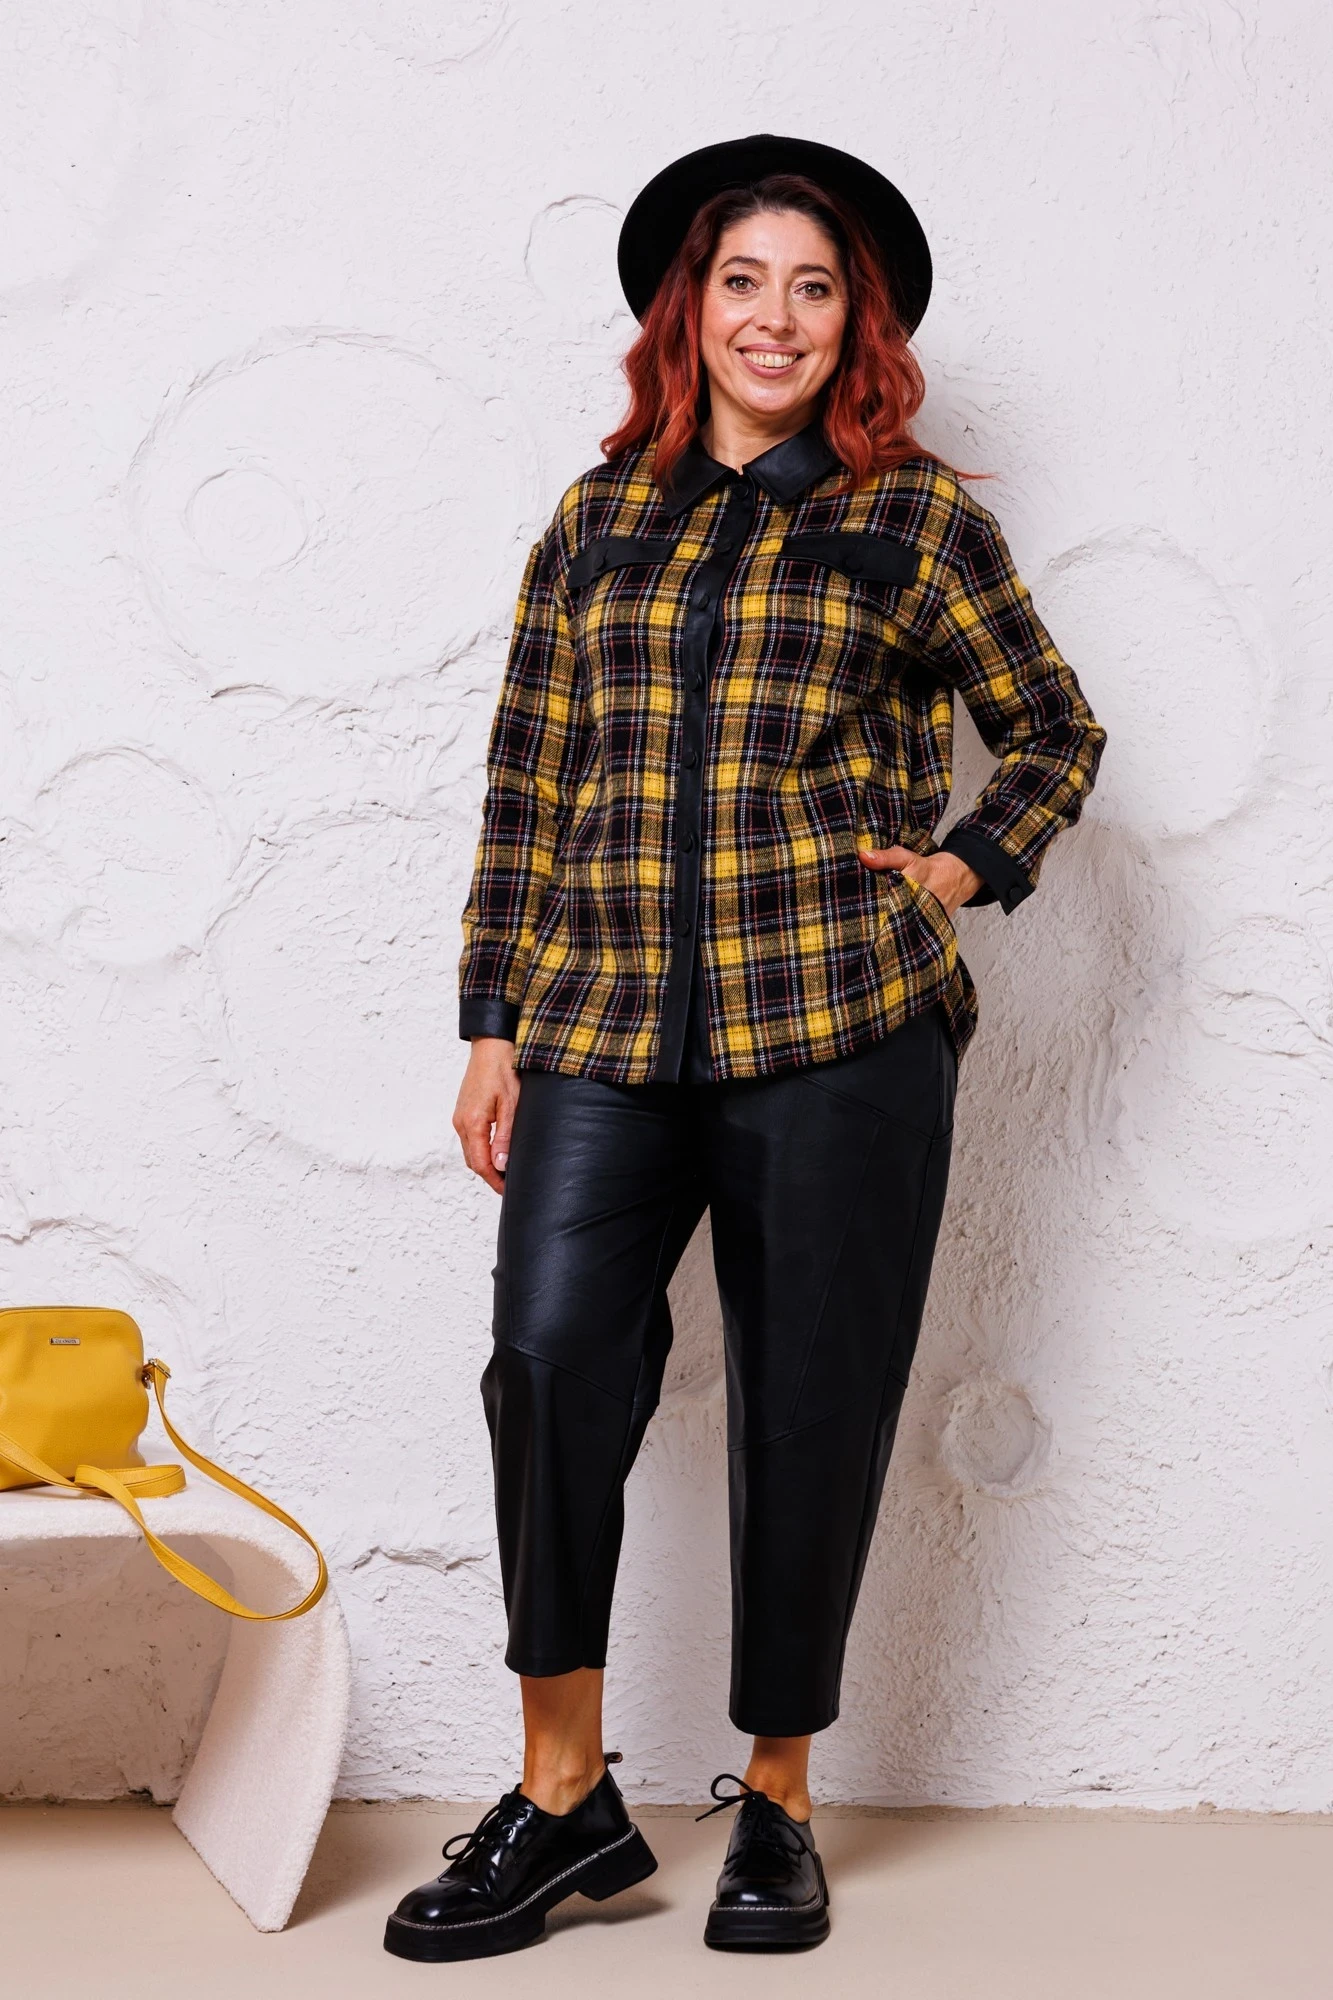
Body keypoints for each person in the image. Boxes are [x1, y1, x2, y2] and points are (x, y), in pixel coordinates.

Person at [384, 133, 1106, 1964]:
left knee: (810, 1400)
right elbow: (530, 780)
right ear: (686, 311)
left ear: (854, 323)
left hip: (839, 1027)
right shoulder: (597, 520)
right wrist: (493, 1022)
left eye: (813, 288)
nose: (775, 318)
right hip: (601, 1022)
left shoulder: (912, 522)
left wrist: (961, 866)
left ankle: (777, 1798)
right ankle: (565, 1800)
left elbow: (1054, 730)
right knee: (550, 1361)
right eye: (742, 282)